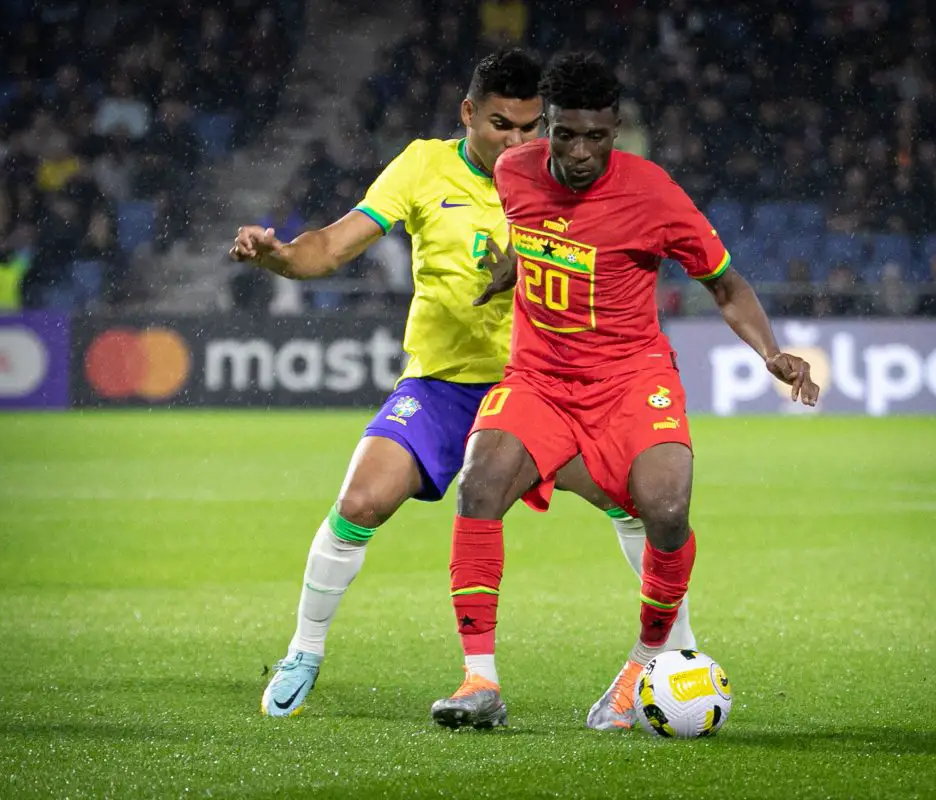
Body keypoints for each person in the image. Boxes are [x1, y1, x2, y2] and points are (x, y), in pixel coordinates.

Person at [228, 48, 695, 718]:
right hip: (444, 385)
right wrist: (277, 256)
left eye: (533, 127)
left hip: (541, 385)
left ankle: (677, 654)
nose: (519, 141)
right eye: (503, 125)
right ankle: (305, 649)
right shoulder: (423, 165)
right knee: (360, 500)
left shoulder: (561, 177)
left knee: (648, 509)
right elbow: (331, 246)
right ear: (468, 114)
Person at [429, 52, 819, 732]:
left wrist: (771, 353)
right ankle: (478, 681)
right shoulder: (512, 170)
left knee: (667, 508)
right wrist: (509, 273)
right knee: (479, 483)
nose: (581, 153)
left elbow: (725, 285)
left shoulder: (654, 194)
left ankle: (641, 666)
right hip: (540, 379)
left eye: (598, 137)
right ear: (544, 126)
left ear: (617, 130)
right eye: (567, 134)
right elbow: (536, 231)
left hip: (632, 379)